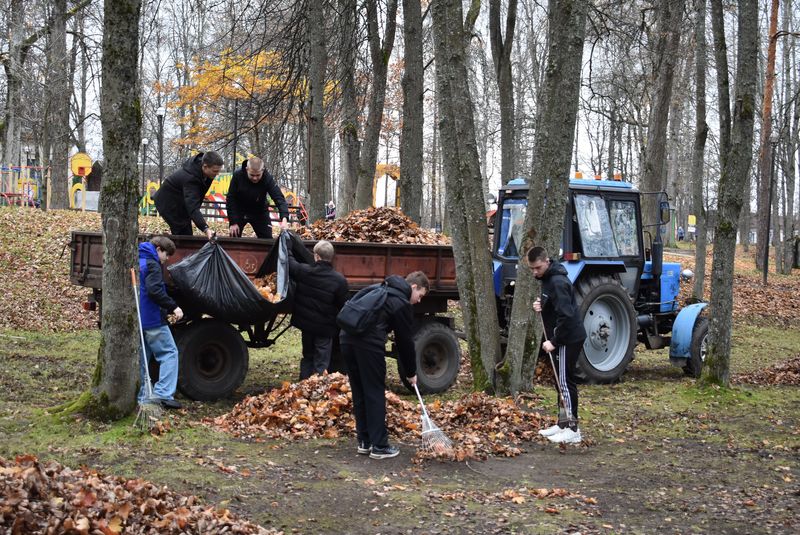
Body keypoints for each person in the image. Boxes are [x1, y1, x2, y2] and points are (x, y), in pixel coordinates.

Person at [340, 271, 428, 459]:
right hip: (368, 345)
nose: (419, 301)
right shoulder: (401, 303)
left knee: (359, 390)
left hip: (346, 339)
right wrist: (411, 372)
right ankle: (379, 446)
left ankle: (365, 442)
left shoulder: (378, 288)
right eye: (420, 296)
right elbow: (405, 342)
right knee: (374, 391)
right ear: (413, 287)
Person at [527, 246, 587, 444]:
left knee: (565, 382)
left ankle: (573, 428)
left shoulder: (558, 281)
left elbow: (567, 316)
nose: (535, 272)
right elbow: (555, 305)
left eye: (537, 268)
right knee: (560, 381)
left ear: (546, 262)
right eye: (532, 269)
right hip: (563, 337)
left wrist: (554, 342)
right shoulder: (547, 279)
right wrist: (542, 306)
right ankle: (562, 423)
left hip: (568, 338)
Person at [287, 239, 349, 380]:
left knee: (308, 356)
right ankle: (318, 388)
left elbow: (290, 263)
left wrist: (288, 244)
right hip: (325, 330)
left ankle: (304, 385)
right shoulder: (339, 280)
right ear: (331, 257)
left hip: (307, 326)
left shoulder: (304, 271)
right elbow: (344, 306)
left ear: (316, 256)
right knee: (321, 359)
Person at [138, 236, 184, 409]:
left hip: (139, 317)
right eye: (166, 255)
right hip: (152, 318)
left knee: (144, 358)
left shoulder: (137, 258)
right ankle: (163, 394)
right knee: (169, 353)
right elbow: (154, 290)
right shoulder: (152, 263)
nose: (166, 259)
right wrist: (174, 307)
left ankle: (143, 396)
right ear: (158, 249)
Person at [153, 151, 223, 239]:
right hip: (168, 203)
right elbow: (193, 207)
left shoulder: (207, 173)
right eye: (215, 171)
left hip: (180, 201)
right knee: (183, 233)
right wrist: (206, 229)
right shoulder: (191, 179)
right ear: (205, 166)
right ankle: (178, 250)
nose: (217, 174)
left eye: (219, 171)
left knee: (186, 231)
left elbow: (196, 200)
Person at [227, 157, 289, 238]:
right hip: (240, 210)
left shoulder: (267, 178)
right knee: (234, 236)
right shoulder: (237, 175)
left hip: (259, 212)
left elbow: (279, 198)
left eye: (258, 175)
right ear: (247, 169)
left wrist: (284, 219)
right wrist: (233, 222)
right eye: (252, 175)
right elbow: (231, 198)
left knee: (267, 240)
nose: (255, 178)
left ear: (262, 170)